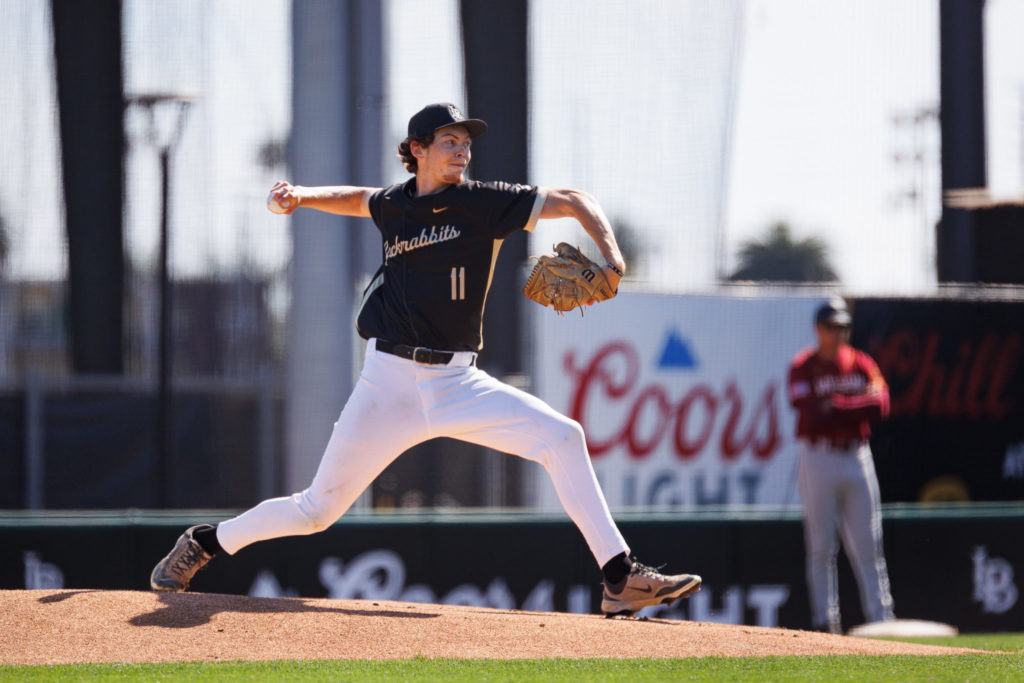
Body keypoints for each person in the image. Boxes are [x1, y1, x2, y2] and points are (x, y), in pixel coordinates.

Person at [149, 102, 701, 617]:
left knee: (564, 438)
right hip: (385, 384)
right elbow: (359, 197)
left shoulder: (484, 202)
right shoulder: (396, 205)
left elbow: (577, 199)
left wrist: (612, 254)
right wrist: (302, 194)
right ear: (417, 148)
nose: (463, 150)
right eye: (450, 141)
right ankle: (204, 542)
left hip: (458, 382)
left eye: (467, 142)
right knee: (316, 511)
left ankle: (619, 578)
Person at [787, 298, 895, 633]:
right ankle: (825, 621)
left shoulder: (861, 362)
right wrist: (852, 408)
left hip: (856, 455)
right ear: (818, 329)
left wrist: (839, 406)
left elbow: (881, 405)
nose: (838, 333)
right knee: (821, 545)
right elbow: (810, 412)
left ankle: (881, 620)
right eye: (832, 327)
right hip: (818, 456)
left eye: (842, 327)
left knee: (868, 544)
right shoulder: (803, 364)